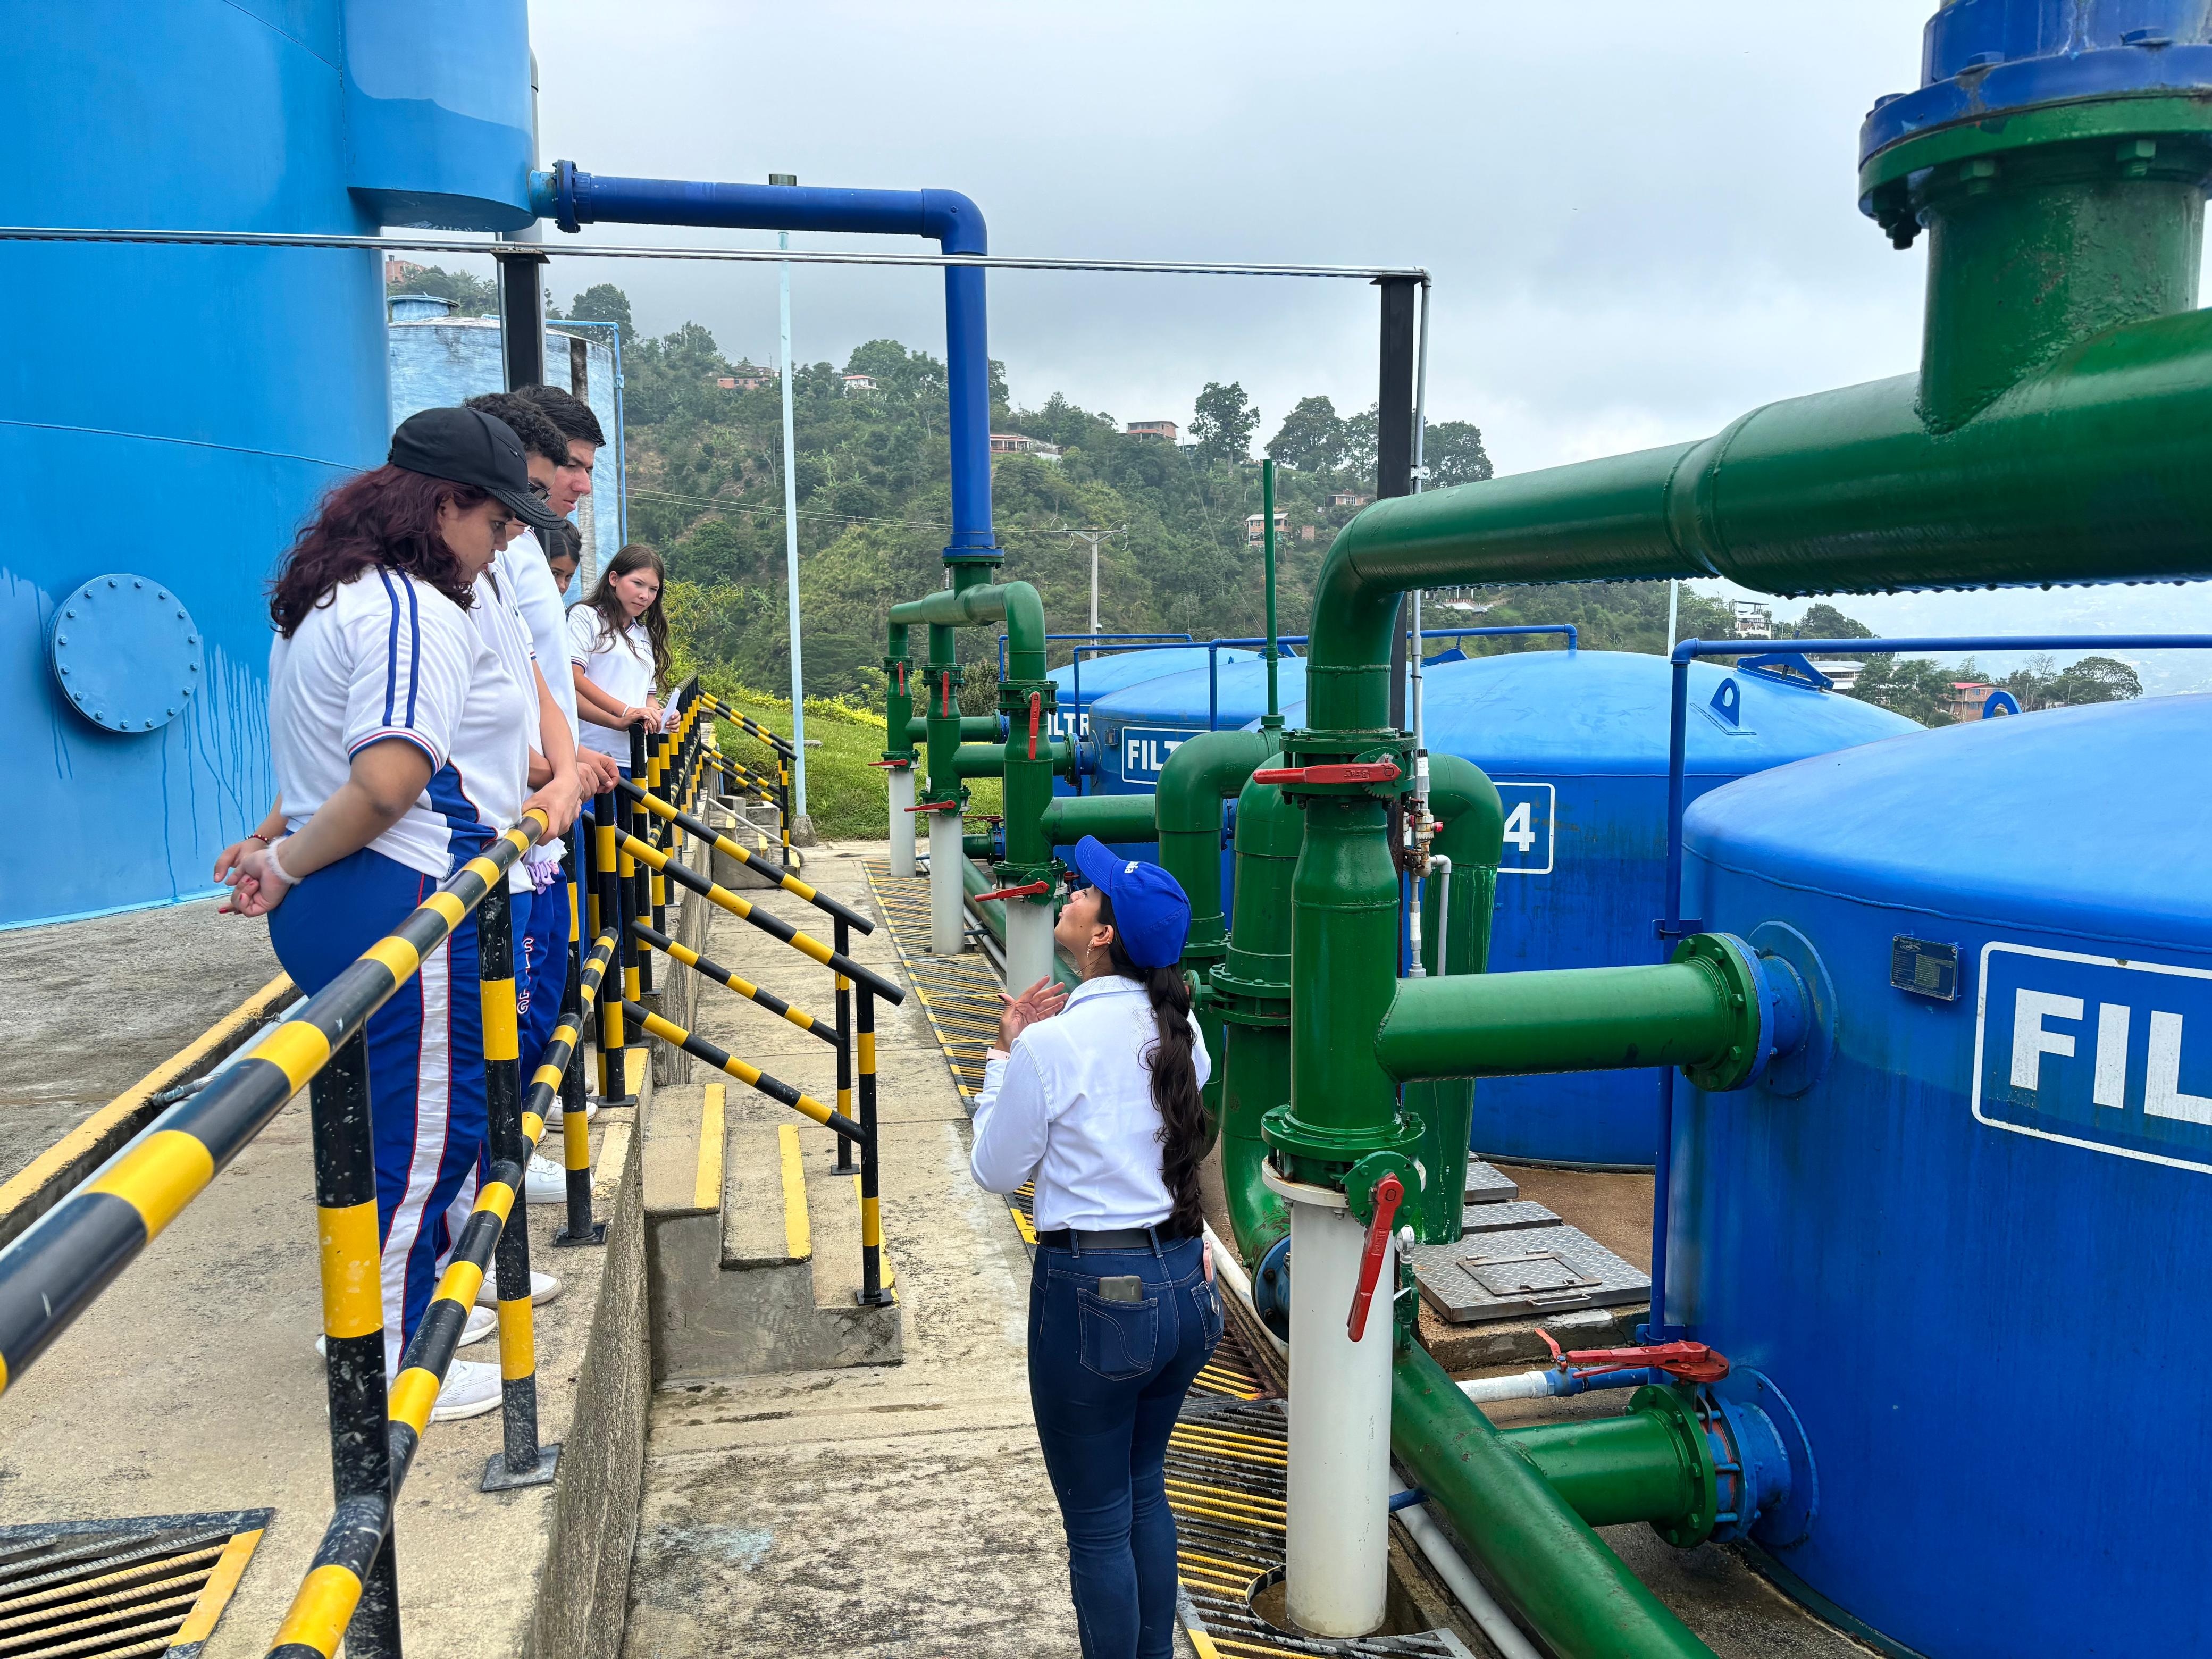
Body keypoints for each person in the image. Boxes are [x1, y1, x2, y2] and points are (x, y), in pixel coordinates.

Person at [214, 405, 576, 1422]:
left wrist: (281, 853)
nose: (501, 545)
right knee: (423, 1141)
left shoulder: (330, 596)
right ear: (444, 505)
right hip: (406, 893)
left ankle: (394, 1321)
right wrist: (282, 858)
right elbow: (385, 781)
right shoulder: (410, 610)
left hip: (354, 894)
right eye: (495, 524)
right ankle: (384, 1362)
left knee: (389, 1131)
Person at [970, 839, 1222, 1659]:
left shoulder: (1053, 1047)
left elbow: (995, 1170)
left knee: (1100, 1525)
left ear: (1104, 936)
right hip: (1185, 1291)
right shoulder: (1183, 1033)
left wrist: (1004, 1054)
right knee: (1144, 1491)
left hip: (1098, 1299)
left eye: (1088, 893)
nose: (1074, 892)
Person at [463, 393, 617, 1203]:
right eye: (571, 468)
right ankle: (495, 1172)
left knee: (539, 998)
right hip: (497, 828)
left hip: (540, 817)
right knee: (493, 1024)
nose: (579, 486)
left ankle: (511, 1145)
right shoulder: (464, 576)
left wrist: (563, 767)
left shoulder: (507, 560)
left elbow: (536, 686)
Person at [567, 543, 672, 770]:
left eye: (653, 589)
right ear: (614, 579)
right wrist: (625, 712)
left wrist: (660, 715)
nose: (645, 596)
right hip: (592, 755)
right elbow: (573, 676)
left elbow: (647, 698)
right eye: (638, 583)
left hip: (634, 756)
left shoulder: (644, 634)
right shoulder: (586, 617)